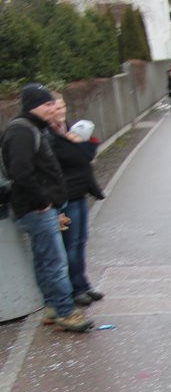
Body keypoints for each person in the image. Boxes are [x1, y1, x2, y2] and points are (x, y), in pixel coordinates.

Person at [1, 84, 93, 332]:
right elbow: (21, 172)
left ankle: (53, 306)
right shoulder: (22, 131)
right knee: (54, 262)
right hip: (36, 209)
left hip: (35, 207)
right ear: (35, 106)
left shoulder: (30, 128)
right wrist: (43, 202)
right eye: (49, 104)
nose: (54, 107)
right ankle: (65, 311)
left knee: (45, 260)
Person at [48, 100, 105, 307]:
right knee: (70, 245)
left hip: (78, 193)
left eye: (63, 106)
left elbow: (87, 154)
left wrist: (81, 145)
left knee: (80, 242)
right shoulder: (49, 135)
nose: (61, 110)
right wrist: (80, 146)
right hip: (65, 199)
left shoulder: (67, 129)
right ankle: (74, 289)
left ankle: (82, 284)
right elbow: (76, 156)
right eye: (55, 107)